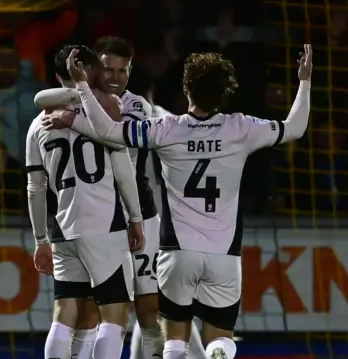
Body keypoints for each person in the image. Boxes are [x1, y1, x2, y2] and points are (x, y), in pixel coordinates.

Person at [35, 45, 312, 359]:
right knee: (220, 336)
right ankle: (219, 352)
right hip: (223, 254)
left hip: (176, 254)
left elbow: (109, 131)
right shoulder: (242, 127)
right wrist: (304, 82)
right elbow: (295, 127)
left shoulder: (167, 129)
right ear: (224, 93)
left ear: (186, 90)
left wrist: (79, 97)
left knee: (173, 340)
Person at [36, 36, 207, 359]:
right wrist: (81, 94)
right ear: (92, 69)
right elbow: (40, 97)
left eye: (123, 71)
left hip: (137, 213)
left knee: (147, 309)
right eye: (108, 69)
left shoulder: (135, 106)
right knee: (88, 312)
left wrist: (73, 117)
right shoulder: (79, 99)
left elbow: (115, 136)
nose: (115, 77)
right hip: (98, 219)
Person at [26, 44, 144, 359]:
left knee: (65, 312)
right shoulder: (104, 112)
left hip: (63, 228)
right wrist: (135, 217)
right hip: (104, 223)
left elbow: (35, 187)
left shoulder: (37, 124)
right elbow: (123, 171)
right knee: (115, 312)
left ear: (55, 76)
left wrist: (41, 239)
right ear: (90, 72)